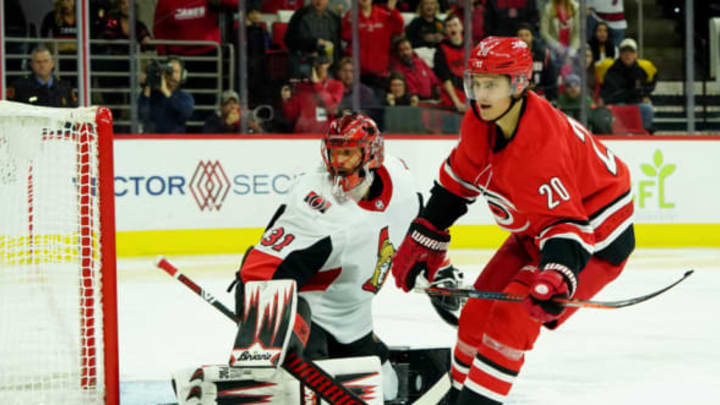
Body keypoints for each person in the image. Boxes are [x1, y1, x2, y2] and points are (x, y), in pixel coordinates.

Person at [391, 36, 636, 404]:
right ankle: (457, 396)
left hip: (595, 238)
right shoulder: (479, 120)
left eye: (492, 84)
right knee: (475, 314)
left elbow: (568, 228)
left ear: (519, 84)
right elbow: (457, 184)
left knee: (510, 317)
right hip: (536, 229)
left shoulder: (542, 148)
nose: (480, 94)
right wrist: (424, 236)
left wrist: (556, 275)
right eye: (475, 82)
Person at [233, 113, 422, 402]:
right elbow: (258, 270)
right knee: (303, 393)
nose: (338, 163)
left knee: (387, 386)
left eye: (347, 153)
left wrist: (435, 267)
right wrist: (277, 328)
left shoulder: (401, 181)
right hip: (311, 314)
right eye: (334, 153)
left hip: (355, 317)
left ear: (371, 155)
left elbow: (419, 227)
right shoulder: (316, 203)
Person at [341, 0, 404, 91]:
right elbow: (345, 36)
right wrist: (350, 21)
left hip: (379, 73)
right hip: (358, 73)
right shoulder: (351, 15)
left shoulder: (384, 15)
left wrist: (392, 10)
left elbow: (399, 28)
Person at [599, 38, 657, 132]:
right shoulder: (612, 70)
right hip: (617, 104)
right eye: (624, 52)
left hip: (634, 103)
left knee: (647, 108)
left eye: (631, 52)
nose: (628, 55)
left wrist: (645, 96)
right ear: (620, 54)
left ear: (635, 55)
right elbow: (612, 93)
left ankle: (644, 133)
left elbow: (643, 89)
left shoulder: (641, 71)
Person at [281, 55, 344, 133]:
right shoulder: (301, 87)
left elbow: (331, 107)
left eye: (319, 64)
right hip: (302, 136)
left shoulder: (336, 85)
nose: (317, 68)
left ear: (327, 66)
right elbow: (291, 115)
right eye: (313, 66)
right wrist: (286, 100)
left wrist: (317, 84)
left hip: (324, 136)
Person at [284, 0, 342, 80]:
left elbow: (337, 46)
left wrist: (336, 67)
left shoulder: (334, 18)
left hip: (327, 65)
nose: (319, 1)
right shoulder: (299, 15)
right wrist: (314, 43)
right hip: (304, 62)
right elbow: (289, 40)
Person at [138, 57, 195, 133]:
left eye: (176, 72)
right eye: (170, 71)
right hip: (152, 141)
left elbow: (185, 113)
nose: (173, 75)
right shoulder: (151, 94)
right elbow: (142, 116)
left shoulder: (185, 96)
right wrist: (148, 85)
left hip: (175, 141)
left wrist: (165, 90)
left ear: (183, 74)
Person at [8, 45, 77, 108]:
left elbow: (73, 112)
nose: (42, 65)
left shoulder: (65, 88)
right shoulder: (19, 87)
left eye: (45, 61)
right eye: (38, 62)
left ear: (52, 63)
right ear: (32, 65)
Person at [390, 36, 442, 101]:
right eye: (401, 50)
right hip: (411, 103)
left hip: (430, 101)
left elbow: (434, 81)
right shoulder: (397, 70)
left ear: (412, 49)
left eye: (407, 49)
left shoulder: (420, 62)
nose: (405, 53)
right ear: (398, 53)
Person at [433, 14, 467, 113]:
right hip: (451, 99)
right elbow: (445, 79)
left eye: (455, 25)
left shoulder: (471, 46)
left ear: (461, 27)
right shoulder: (440, 50)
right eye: (449, 26)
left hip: (470, 94)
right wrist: (456, 102)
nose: (453, 28)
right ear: (445, 30)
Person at [517, 23, 557, 101]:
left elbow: (551, 80)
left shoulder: (543, 54)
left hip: (540, 95)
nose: (523, 38)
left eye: (527, 35)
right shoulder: (512, 55)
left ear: (532, 37)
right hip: (519, 96)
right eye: (520, 35)